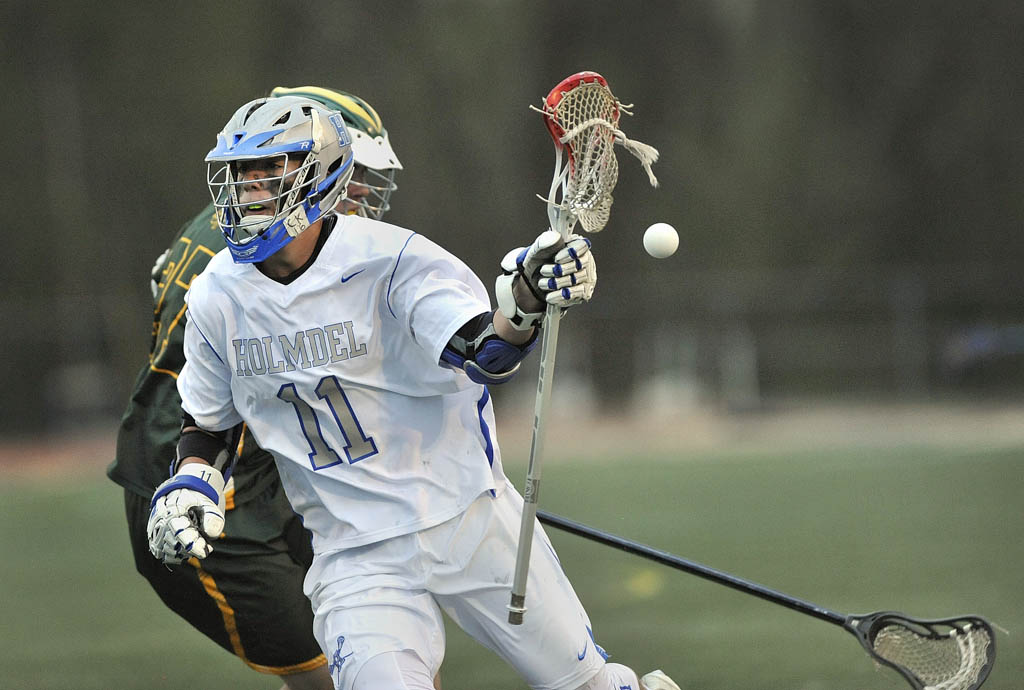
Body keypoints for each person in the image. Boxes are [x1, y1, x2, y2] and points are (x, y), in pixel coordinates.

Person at [145, 93, 680, 690]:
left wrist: (525, 301)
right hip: (355, 555)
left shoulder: (392, 259)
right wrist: (193, 480)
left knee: (586, 685)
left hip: (470, 520)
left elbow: (485, 351)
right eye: (242, 175)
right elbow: (209, 426)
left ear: (318, 176)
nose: (249, 191)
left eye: (270, 172)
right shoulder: (217, 295)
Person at [108, 87, 406, 690]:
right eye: (351, 171)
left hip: (261, 478)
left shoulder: (225, 228)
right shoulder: (260, 254)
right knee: (337, 677)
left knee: (388, 641)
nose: (361, 193)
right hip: (210, 489)